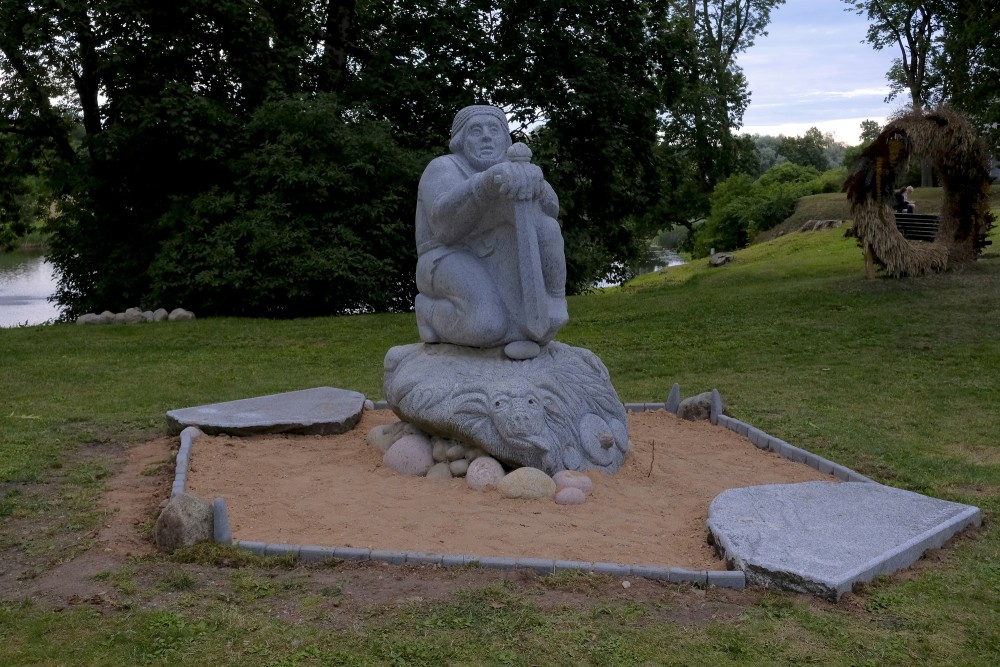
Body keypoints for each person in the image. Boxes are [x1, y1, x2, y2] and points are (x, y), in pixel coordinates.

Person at [414, 105, 568, 358]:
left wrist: (535, 181)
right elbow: (445, 230)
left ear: (505, 140)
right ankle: (427, 311)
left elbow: (551, 210)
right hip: (447, 257)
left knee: (548, 228)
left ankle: (551, 304)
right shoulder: (443, 167)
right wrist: (483, 184)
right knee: (485, 325)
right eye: (476, 130)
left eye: (494, 129)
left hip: (495, 254)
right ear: (461, 140)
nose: (486, 136)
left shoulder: (510, 168)